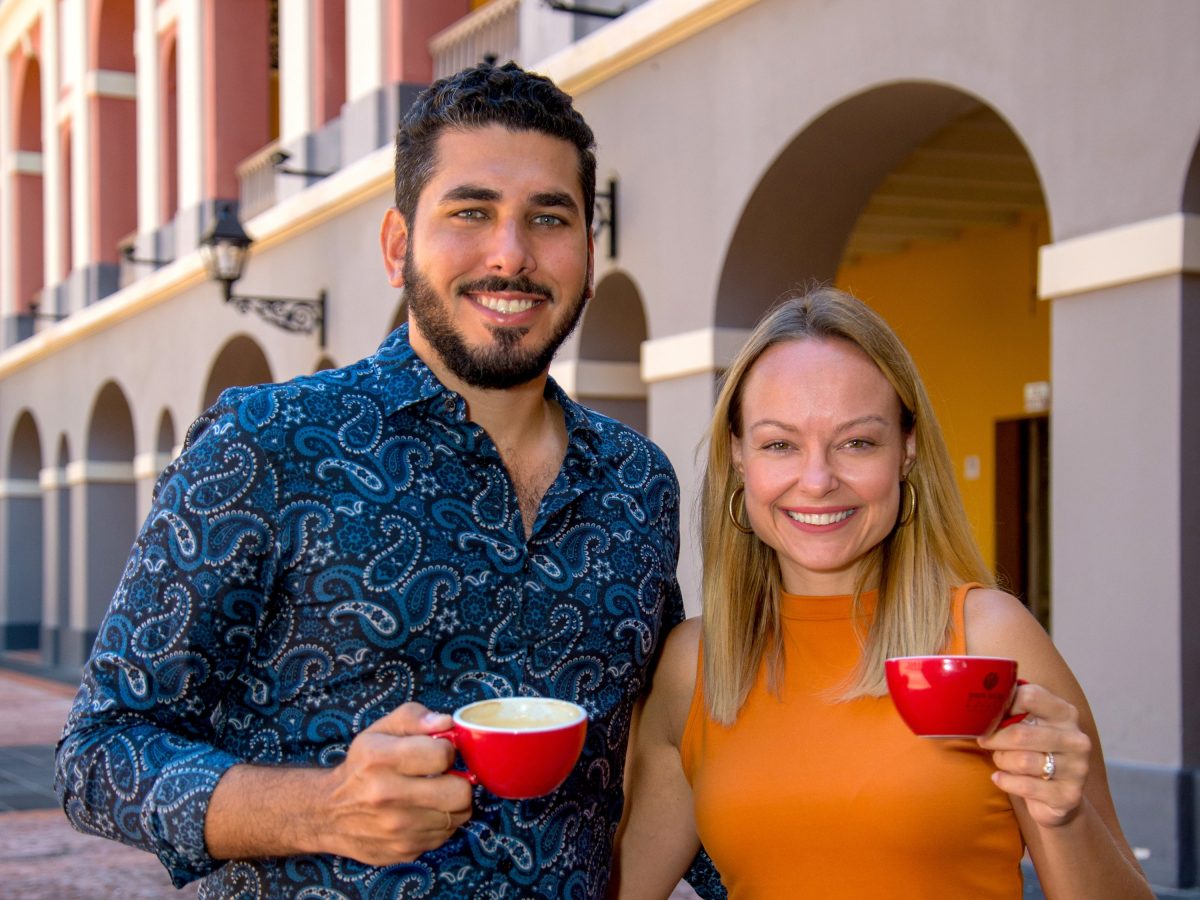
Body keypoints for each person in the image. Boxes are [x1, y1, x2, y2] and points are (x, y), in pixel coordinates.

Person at [55, 62, 685, 899]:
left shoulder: (637, 484)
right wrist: (322, 808)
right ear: (398, 246)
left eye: (548, 216)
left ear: (587, 255)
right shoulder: (268, 444)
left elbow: (658, 747)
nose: (512, 253)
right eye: (470, 211)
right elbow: (100, 752)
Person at [610, 287, 1153, 899]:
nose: (817, 481)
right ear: (738, 455)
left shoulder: (987, 641)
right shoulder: (698, 664)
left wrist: (1064, 814)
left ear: (907, 449)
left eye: (857, 442)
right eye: (780, 444)